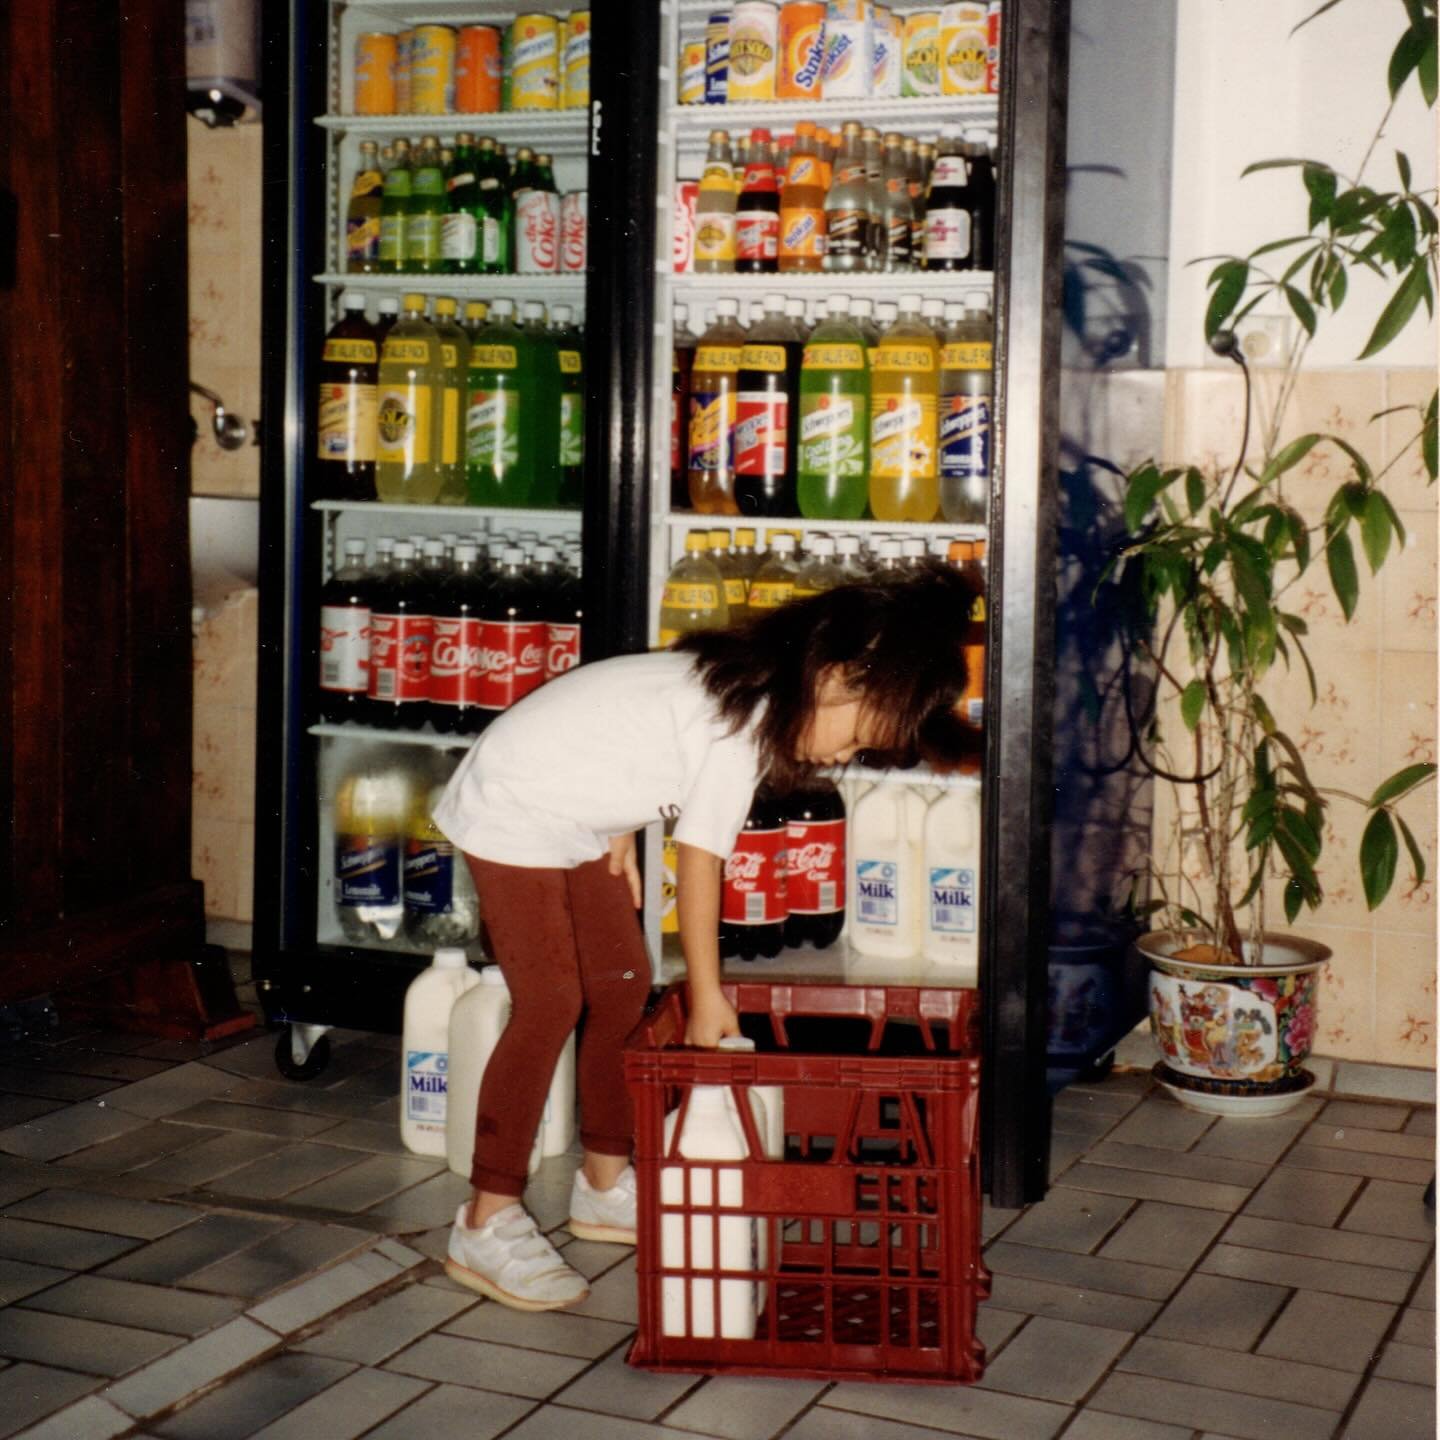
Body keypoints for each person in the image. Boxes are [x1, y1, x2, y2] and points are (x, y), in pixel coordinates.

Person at [432, 561, 979, 1312]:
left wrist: (618, 817)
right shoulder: (742, 723)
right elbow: (701, 866)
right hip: (512, 801)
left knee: (623, 987)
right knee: (551, 1000)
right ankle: (485, 1219)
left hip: (572, 811)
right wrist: (710, 995)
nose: (843, 759)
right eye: (855, 741)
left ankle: (601, 1183)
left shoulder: (748, 681)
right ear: (836, 679)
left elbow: (624, 730)